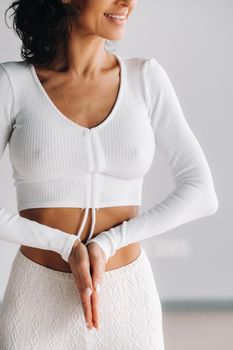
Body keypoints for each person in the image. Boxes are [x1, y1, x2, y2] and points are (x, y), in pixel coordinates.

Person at [0, 0, 219, 349]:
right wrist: (64, 245)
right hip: (37, 297)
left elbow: (201, 191)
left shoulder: (145, 78)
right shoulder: (13, 83)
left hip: (127, 296)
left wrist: (107, 243)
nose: (128, 2)